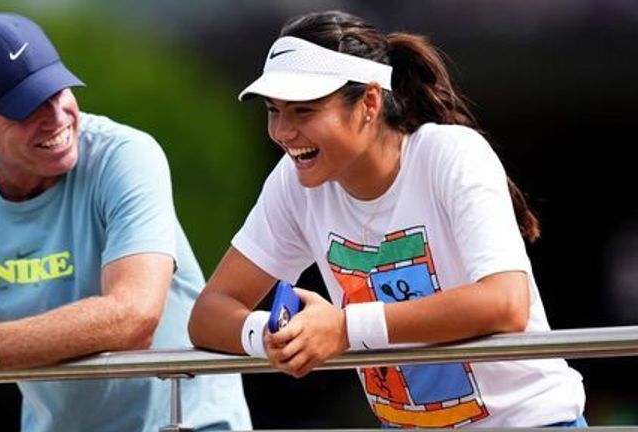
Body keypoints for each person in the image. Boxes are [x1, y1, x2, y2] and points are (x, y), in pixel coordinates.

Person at [188, 9, 586, 429]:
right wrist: (271, 335)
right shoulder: (293, 181)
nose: (283, 131)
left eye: (303, 111)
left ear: (370, 103)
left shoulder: (451, 155)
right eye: (274, 110)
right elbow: (208, 314)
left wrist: (344, 328)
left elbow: (505, 303)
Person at [0, 12, 251, 432]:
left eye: (57, 89)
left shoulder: (127, 156)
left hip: (189, 422)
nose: (56, 116)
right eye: (26, 107)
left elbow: (133, 317)